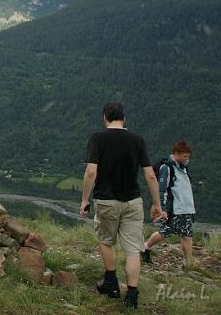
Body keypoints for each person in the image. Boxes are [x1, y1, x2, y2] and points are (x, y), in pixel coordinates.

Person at [80, 102, 165, 310]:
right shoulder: (138, 140)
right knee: (133, 250)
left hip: (107, 200)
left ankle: (111, 283)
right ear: (124, 118)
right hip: (133, 202)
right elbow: (150, 175)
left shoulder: (97, 138)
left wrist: (85, 200)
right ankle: (132, 296)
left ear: (105, 118)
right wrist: (157, 205)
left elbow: (91, 172)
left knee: (106, 241)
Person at [142, 140, 196, 269]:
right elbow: (162, 190)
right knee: (165, 232)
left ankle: (188, 263)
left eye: (188, 157)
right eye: (185, 156)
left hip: (187, 208)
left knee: (187, 234)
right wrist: (163, 209)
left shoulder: (184, 167)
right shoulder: (167, 168)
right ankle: (145, 247)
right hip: (175, 209)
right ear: (176, 153)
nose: (187, 159)